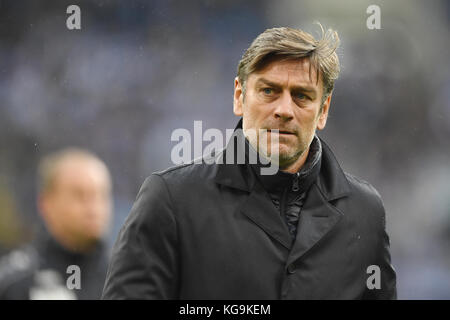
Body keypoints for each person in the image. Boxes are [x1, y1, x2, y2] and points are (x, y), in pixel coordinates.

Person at [102, 24, 397, 299]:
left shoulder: (365, 212)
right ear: (239, 97)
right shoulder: (171, 200)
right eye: (269, 91)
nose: (284, 109)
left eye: (302, 96)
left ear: (323, 111)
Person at [0, 148, 112, 299]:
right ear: (46, 203)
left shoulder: (133, 276)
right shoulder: (14, 281)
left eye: (100, 195)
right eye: (79, 195)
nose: (93, 207)